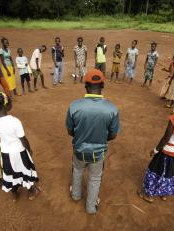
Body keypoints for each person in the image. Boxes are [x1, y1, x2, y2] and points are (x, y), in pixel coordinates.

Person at [66, 69, 120, 214]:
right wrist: (100, 139)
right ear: (102, 85)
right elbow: (113, 135)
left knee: (77, 171)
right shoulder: (112, 108)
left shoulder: (74, 106)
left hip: (79, 150)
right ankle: (91, 207)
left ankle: (76, 195)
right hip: (98, 152)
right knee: (95, 178)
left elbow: (70, 131)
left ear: (86, 86)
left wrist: (82, 137)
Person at [0, 92, 40, 201]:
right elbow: (23, 139)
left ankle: (15, 195)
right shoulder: (15, 121)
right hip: (20, 152)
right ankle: (31, 192)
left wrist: (4, 146)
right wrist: (29, 150)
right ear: (7, 105)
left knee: (10, 173)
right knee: (25, 171)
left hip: (6, 153)